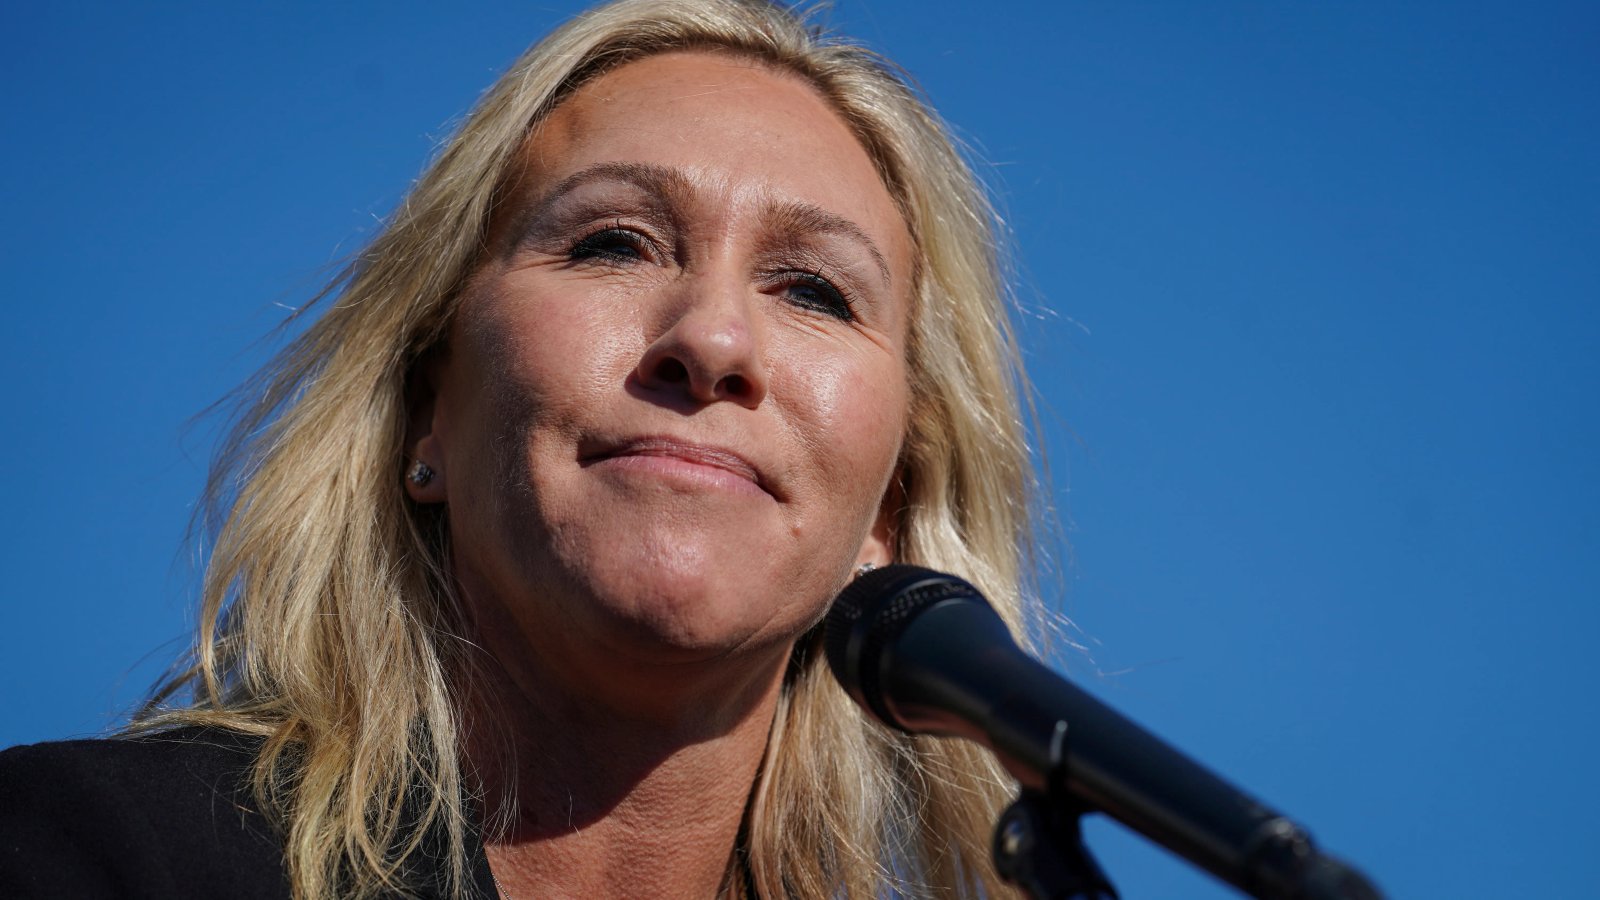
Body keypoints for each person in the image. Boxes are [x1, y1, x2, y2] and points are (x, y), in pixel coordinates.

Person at [0, 0, 1041, 897]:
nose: (713, 341)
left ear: (892, 508)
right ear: (427, 415)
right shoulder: (91, 857)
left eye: (813, 290)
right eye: (612, 243)